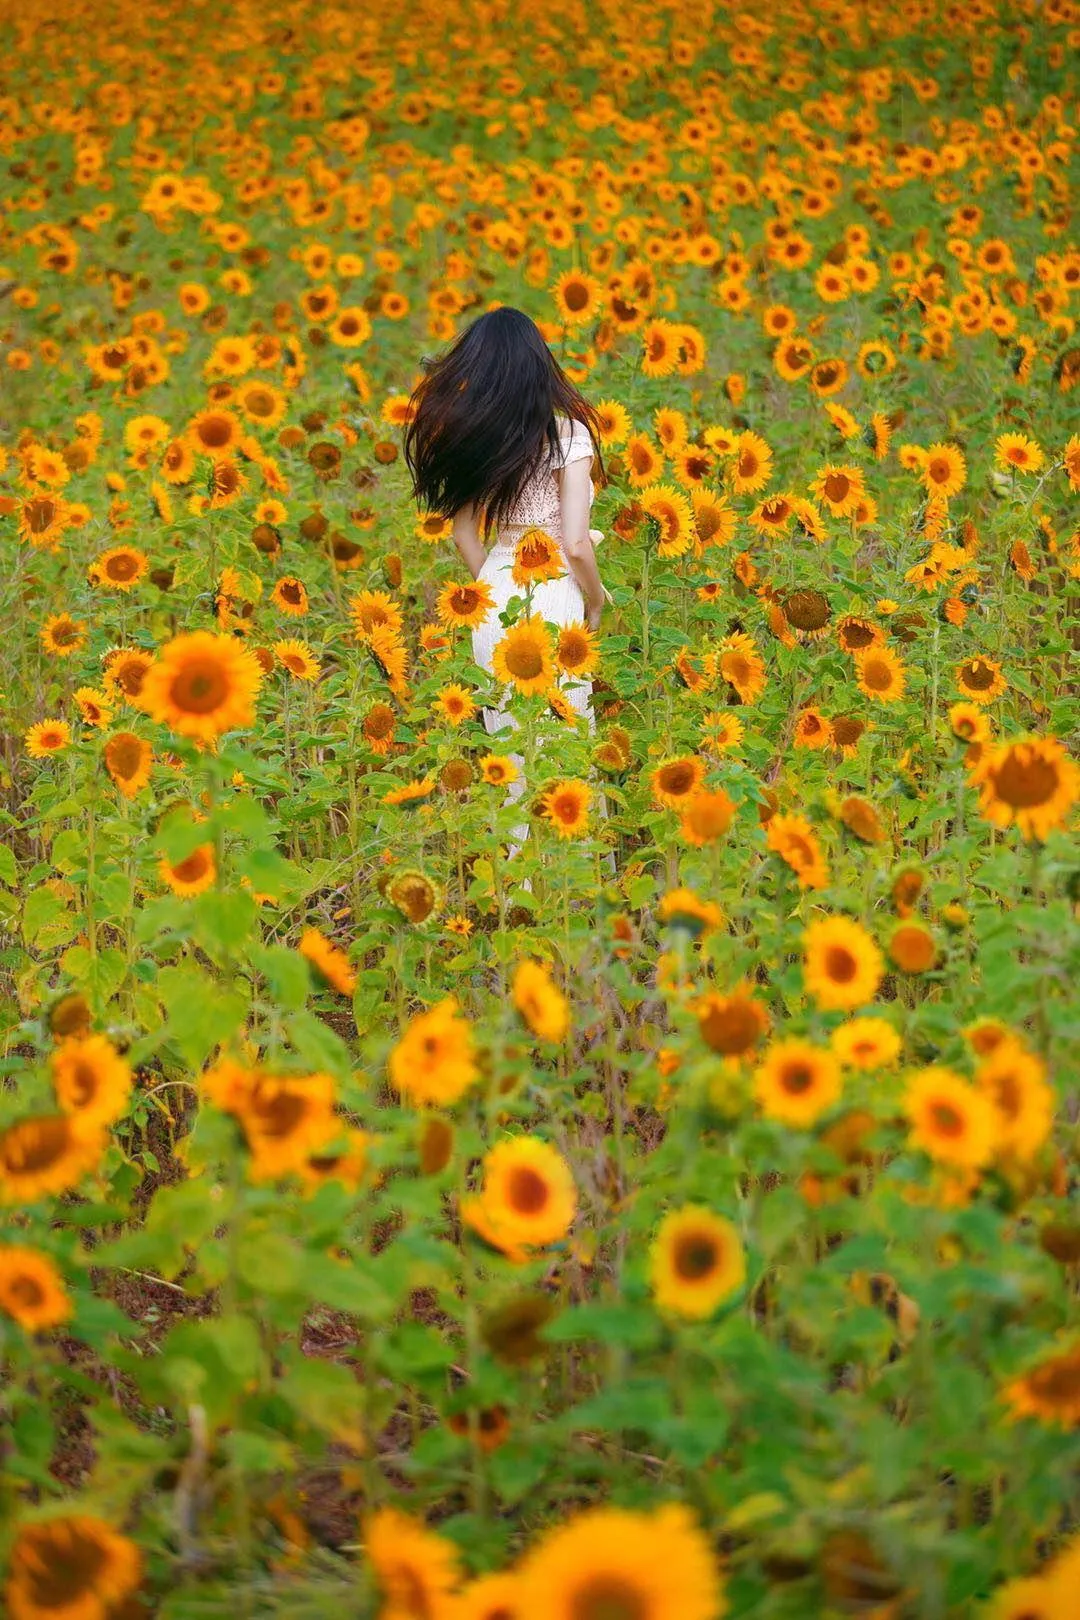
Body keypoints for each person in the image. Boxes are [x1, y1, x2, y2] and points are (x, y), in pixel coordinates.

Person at [405, 307, 610, 852]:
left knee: (510, 750)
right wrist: (593, 603)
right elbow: (576, 544)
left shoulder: (482, 437)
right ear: (540, 365)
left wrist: (494, 585)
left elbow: (463, 532)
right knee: (568, 749)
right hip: (558, 596)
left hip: (493, 598)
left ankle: (522, 877)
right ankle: (577, 888)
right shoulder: (569, 436)